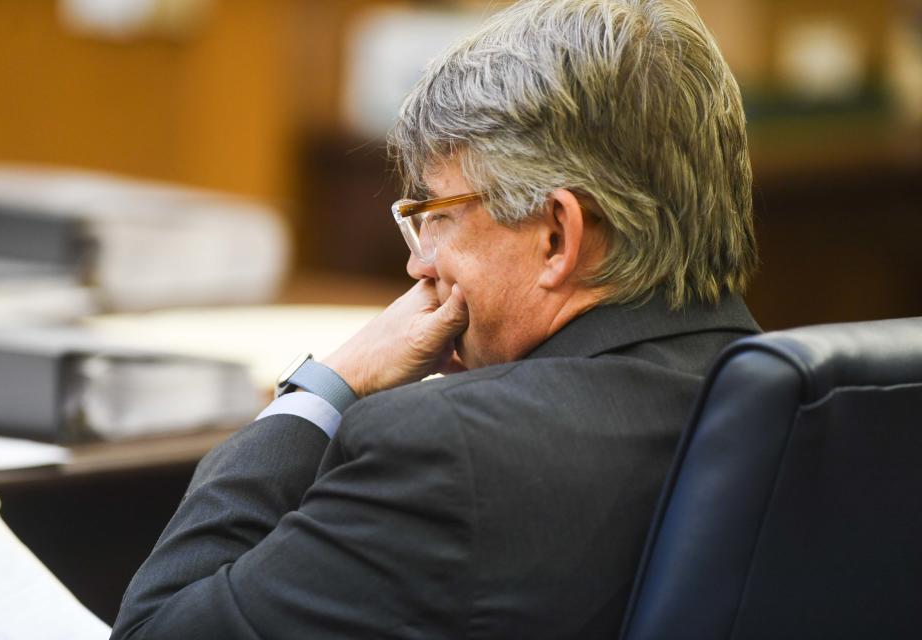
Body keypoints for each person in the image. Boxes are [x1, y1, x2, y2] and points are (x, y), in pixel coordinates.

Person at [111, 0, 759, 637]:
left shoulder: (446, 452)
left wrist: (332, 384)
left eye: (438, 215)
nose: (420, 265)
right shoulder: (807, 401)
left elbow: (158, 629)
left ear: (558, 236)